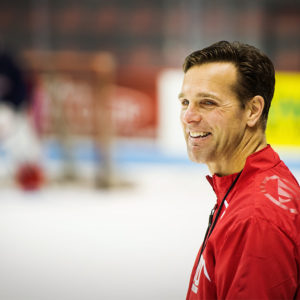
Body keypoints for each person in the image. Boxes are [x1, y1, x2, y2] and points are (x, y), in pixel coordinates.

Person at [178, 41, 300, 300]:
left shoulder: (255, 219)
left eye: (208, 103)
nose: (189, 116)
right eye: (185, 102)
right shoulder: (250, 187)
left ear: (253, 110)